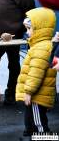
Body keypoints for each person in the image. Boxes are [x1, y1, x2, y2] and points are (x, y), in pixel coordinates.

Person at [16, 8, 57, 141]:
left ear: (40, 29)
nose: (27, 33)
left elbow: (36, 73)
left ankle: (44, 138)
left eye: (29, 29)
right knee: (31, 118)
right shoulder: (40, 45)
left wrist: (28, 91)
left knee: (38, 122)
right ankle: (29, 134)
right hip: (35, 94)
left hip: (37, 95)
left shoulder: (41, 48)